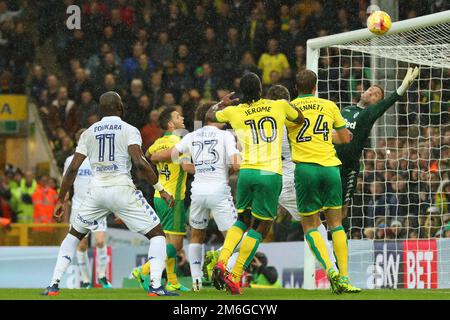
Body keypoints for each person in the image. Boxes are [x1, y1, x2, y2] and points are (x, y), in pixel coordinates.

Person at [41, 91, 177, 297]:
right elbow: (140, 162)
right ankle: (156, 286)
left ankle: (53, 285)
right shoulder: (129, 130)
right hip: (122, 189)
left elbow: (72, 169)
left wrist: (60, 199)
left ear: (100, 109)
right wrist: (161, 190)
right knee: (157, 234)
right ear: (120, 107)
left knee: (74, 235)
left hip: (96, 192)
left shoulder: (89, 133)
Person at [206, 72, 303, 295]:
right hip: (270, 173)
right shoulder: (277, 105)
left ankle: (222, 260)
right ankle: (236, 273)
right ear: (260, 90)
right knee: (262, 226)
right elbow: (299, 119)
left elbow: (210, 115)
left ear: (242, 92)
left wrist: (222, 103)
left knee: (242, 220)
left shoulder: (233, 111)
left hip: (246, 172)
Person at [148, 102, 241, 291]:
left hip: (197, 192)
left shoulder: (191, 136)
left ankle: (196, 281)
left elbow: (172, 155)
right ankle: (221, 264)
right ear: (215, 117)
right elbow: (236, 164)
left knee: (197, 235)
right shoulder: (226, 136)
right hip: (218, 191)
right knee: (236, 240)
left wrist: (155, 156)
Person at [286, 69, 358, 294]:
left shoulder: (289, 109)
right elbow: (345, 138)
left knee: (310, 225)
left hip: (306, 169)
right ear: (316, 87)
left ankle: (331, 270)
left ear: (296, 88)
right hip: (330, 168)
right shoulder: (329, 105)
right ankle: (345, 277)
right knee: (336, 224)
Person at [266, 84, 337, 270]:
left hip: (274, 178)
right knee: (313, 224)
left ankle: (227, 259)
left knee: (257, 227)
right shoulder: (292, 120)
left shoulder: (266, 123)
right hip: (296, 176)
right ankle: (333, 269)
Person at [335, 67, 420, 220]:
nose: (371, 93)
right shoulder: (346, 110)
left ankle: (340, 241)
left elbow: (387, 102)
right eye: (370, 90)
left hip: (348, 169)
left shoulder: (369, 113)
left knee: (341, 211)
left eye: (376, 95)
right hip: (329, 164)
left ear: (376, 103)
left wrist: (403, 86)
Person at [133, 107, 190, 293]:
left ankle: (172, 280)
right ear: (170, 124)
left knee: (167, 240)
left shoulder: (158, 142)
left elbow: (147, 155)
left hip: (160, 196)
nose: (182, 118)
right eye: (177, 116)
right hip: (174, 199)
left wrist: (158, 160)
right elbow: (188, 167)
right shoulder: (180, 142)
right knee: (177, 244)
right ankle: (143, 270)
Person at [63, 128, 111, 289]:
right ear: (78, 141)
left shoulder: (99, 159)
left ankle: (102, 276)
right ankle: (85, 280)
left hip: (98, 206)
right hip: (78, 206)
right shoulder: (71, 160)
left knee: (100, 241)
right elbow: (66, 182)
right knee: (81, 245)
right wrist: (63, 200)